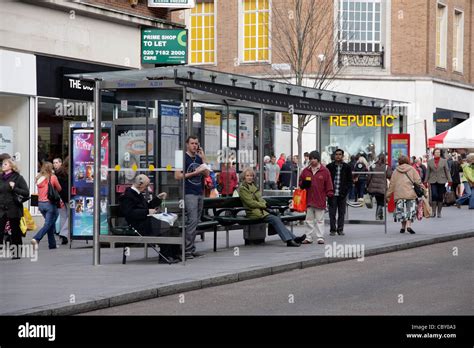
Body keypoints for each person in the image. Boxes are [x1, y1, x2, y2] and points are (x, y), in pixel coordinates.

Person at [238, 168, 305, 247]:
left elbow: (260, 199)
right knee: (275, 219)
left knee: (276, 217)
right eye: (247, 176)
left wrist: (265, 205)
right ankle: (289, 240)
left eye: (251, 176)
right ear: (244, 177)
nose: (249, 177)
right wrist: (264, 205)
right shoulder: (243, 188)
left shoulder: (252, 186)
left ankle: (294, 238)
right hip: (253, 212)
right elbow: (250, 203)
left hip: (260, 211)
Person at [119, 174, 178, 263]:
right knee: (165, 226)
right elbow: (129, 213)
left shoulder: (137, 193)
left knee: (173, 225)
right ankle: (165, 257)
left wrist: (158, 199)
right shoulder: (128, 195)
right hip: (137, 225)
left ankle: (173, 254)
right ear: (140, 184)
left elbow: (147, 206)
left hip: (144, 221)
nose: (147, 188)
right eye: (146, 185)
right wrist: (147, 212)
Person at [174, 136, 209, 259]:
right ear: (187, 144)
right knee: (192, 220)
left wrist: (203, 158)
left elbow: (207, 173)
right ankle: (187, 250)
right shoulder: (182, 157)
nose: (194, 146)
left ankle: (191, 248)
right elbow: (177, 176)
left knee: (196, 221)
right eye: (192, 143)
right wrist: (194, 173)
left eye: (196, 143)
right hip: (188, 193)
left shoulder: (199, 158)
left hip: (199, 191)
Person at [299, 150, 334, 244]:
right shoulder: (305, 171)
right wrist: (303, 184)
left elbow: (329, 183)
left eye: (314, 158)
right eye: (310, 158)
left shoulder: (325, 171)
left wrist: (329, 193)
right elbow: (300, 182)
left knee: (320, 220)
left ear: (318, 159)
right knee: (309, 220)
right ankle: (308, 237)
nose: (312, 160)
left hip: (320, 199)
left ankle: (320, 237)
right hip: (309, 199)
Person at [0, 158, 30, 259]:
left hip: (14, 208)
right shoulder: (0, 178)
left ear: (11, 166)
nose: (3, 165)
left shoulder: (18, 178)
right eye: (2, 164)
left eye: (5, 164)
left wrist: (14, 188)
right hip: (1, 209)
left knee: (15, 232)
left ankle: (16, 253)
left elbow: (26, 192)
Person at [386, 156, 423, 234]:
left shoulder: (396, 171)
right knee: (410, 210)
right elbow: (418, 180)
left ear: (399, 162)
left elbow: (392, 184)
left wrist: (388, 195)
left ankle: (402, 227)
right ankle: (409, 226)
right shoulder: (412, 169)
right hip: (410, 193)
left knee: (401, 211)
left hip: (399, 194)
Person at [31, 162, 62, 250]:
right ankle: (36, 238)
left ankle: (52, 244)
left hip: (40, 204)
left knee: (50, 224)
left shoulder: (39, 177)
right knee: (49, 223)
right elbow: (59, 188)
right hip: (49, 204)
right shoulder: (52, 177)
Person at [326, 149, 353, 235]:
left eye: (340, 154)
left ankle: (340, 229)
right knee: (332, 213)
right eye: (336, 154)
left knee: (342, 213)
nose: (338, 156)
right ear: (334, 156)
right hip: (332, 193)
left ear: (342, 156)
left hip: (342, 194)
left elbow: (350, 181)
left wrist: (345, 191)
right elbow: (326, 180)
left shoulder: (347, 167)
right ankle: (333, 230)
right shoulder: (329, 167)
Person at [425, 148, 452, 218]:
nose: (437, 154)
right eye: (436, 152)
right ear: (433, 153)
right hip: (432, 180)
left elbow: (447, 171)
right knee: (434, 195)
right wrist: (425, 181)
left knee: (440, 196)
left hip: (442, 180)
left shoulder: (444, 161)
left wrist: (450, 180)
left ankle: (439, 212)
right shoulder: (430, 162)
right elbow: (427, 172)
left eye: (439, 152)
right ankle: (433, 212)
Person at [367, 153, 392, 220]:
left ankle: (380, 215)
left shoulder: (373, 166)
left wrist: (367, 185)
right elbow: (389, 176)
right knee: (381, 202)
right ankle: (378, 215)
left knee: (379, 201)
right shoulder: (386, 167)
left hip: (373, 187)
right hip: (382, 187)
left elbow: (369, 177)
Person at [55, 157, 69, 245]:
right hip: (68, 196)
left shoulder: (59, 172)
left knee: (63, 216)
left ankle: (63, 236)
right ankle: (64, 233)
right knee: (71, 215)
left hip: (59, 197)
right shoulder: (69, 173)